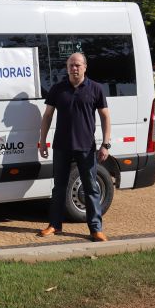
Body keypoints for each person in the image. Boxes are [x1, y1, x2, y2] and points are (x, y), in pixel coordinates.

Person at [38, 52, 111, 242]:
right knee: (58, 188)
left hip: (86, 147)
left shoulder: (95, 89)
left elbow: (105, 117)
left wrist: (106, 144)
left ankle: (96, 229)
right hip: (61, 146)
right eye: (71, 65)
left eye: (78, 65)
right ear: (67, 67)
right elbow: (47, 116)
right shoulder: (58, 89)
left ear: (85, 67)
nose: (74, 68)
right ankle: (54, 225)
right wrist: (43, 141)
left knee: (91, 188)